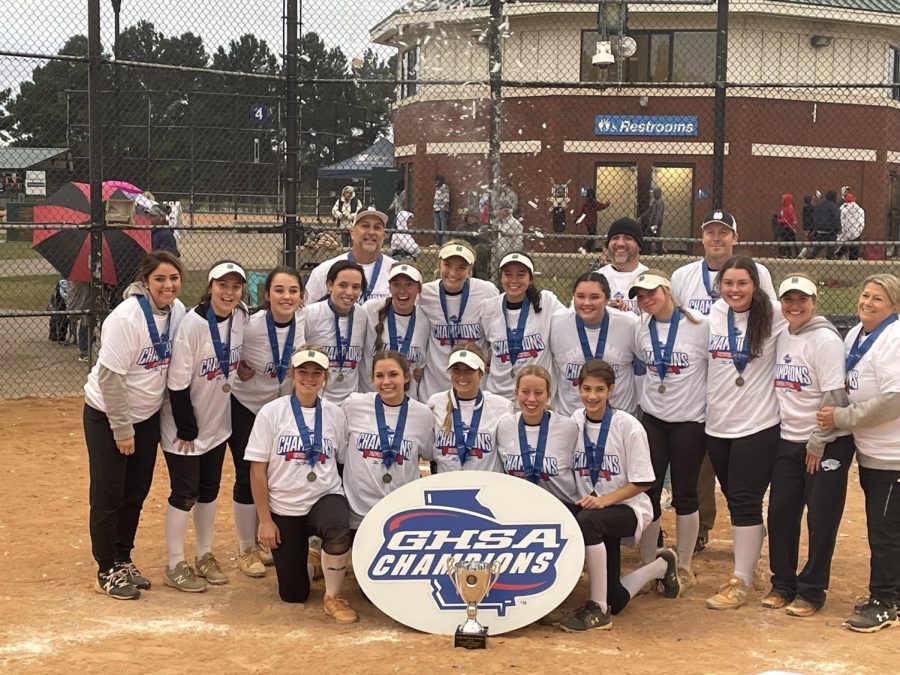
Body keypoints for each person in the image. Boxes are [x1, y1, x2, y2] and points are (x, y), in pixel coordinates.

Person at [669, 209, 777, 552]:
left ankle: (748, 530)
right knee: (702, 465)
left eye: (723, 232)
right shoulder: (684, 275)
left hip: (744, 392)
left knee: (741, 480)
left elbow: (773, 319)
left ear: (735, 237)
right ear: (701, 237)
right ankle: (702, 527)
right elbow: (673, 324)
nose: (716, 238)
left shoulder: (757, 272)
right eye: (710, 232)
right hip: (699, 384)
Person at [83, 251, 186, 599]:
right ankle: (105, 567)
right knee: (109, 492)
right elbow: (110, 379)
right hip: (108, 415)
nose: (168, 285)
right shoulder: (126, 318)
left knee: (136, 491)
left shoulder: (178, 313)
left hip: (146, 416)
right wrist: (122, 429)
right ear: (146, 282)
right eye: (160, 279)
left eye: (173, 278)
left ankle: (123, 557)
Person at [559, 360, 681, 632]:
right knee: (617, 597)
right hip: (594, 509)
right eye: (586, 388)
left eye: (600, 389)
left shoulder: (628, 426)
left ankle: (598, 609)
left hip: (628, 507)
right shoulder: (574, 421)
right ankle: (661, 566)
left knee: (590, 521)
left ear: (611, 390)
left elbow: (643, 481)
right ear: (578, 388)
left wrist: (605, 500)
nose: (592, 396)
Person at [764, 274, 854, 617]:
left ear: (814, 302)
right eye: (789, 300)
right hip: (789, 439)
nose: (794, 306)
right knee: (781, 514)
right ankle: (782, 583)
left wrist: (818, 443)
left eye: (802, 300)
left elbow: (835, 398)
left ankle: (812, 590)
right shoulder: (783, 333)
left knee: (821, 517)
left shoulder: (825, 339)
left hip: (825, 443)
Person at [246, 346, 357, 623]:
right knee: (293, 594)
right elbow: (257, 470)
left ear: (325, 377)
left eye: (317, 372)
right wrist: (265, 521)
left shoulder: (335, 413)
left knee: (337, 528)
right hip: (285, 506)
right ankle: (310, 563)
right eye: (303, 371)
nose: (309, 377)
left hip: (324, 495)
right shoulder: (272, 413)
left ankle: (332, 595)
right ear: (292, 374)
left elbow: (341, 461)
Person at [817, 274, 900, 632]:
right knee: (887, 526)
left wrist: (843, 418)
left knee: (884, 531)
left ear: (894, 306)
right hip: (872, 450)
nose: (867, 302)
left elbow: (894, 399)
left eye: (878, 299)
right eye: (865, 295)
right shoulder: (855, 335)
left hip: (892, 453)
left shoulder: (894, 338)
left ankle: (884, 602)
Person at [160, 260, 249, 592]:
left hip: (216, 423)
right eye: (222, 285)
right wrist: (186, 427)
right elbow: (178, 384)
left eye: (235, 286)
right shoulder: (193, 325)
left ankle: (204, 554)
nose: (228, 292)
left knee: (209, 490)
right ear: (210, 287)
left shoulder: (240, 316)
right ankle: (174, 563)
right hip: (185, 427)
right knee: (185, 492)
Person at [704, 256, 787, 610]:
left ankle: (741, 580)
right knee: (734, 497)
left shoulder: (776, 315)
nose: (734, 290)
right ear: (719, 286)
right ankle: (749, 560)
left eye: (742, 283)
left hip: (758, 424)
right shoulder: (712, 316)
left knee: (743, 500)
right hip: (717, 424)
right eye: (728, 283)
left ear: (755, 285)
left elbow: (810, 323)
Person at [630, 270, 709, 590]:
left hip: (689, 420)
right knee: (647, 490)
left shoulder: (699, 325)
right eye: (641, 296)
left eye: (653, 292)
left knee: (686, 493)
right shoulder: (641, 328)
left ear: (667, 290)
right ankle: (649, 563)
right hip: (653, 419)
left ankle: (685, 564)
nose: (647, 299)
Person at [228, 267, 306, 578]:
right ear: (267, 295)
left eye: (293, 291)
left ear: (302, 296)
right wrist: (236, 368)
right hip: (247, 406)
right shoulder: (250, 325)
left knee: (278, 473)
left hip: (282, 410)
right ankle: (247, 547)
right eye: (279, 290)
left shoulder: (306, 322)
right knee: (247, 474)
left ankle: (267, 536)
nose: (286, 297)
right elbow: (223, 348)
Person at [339, 350, 435, 529]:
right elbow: (341, 449)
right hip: (359, 512)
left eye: (393, 374)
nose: (386, 382)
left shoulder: (423, 414)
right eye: (379, 375)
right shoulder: (354, 405)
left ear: (406, 377)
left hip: (402, 510)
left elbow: (429, 453)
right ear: (372, 379)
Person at [417, 240, 499, 400]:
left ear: (470, 270)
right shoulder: (425, 294)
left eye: (461, 267)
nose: (453, 273)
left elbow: (496, 331)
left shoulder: (486, 292)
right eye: (447, 265)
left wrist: (492, 356)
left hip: (473, 388)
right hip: (435, 388)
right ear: (439, 265)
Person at [551, 271, 640, 416]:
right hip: (572, 418)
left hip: (618, 418)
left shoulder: (628, 323)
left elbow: (642, 365)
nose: (586, 303)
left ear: (607, 299)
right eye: (580, 296)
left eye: (595, 297)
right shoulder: (557, 323)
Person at [495, 365, 581, 510]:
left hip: (563, 507)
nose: (532, 399)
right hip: (519, 508)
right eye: (525, 392)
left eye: (539, 393)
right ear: (516, 393)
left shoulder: (568, 428)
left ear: (548, 395)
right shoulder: (504, 427)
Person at [482, 252, 564, 399]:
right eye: (508, 274)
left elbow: (572, 318)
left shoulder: (546, 302)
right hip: (499, 395)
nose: (514, 280)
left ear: (530, 278)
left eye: (521, 275)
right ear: (500, 278)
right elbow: (486, 345)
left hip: (537, 396)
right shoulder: (489, 308)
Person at [427, 345, 513, 473]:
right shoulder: (435, 403)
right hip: (446, 488)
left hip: (487, 487)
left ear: (481, 373)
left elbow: (508, 455)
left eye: (469, 371)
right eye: (456, 370)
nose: (462, 376)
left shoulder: (501, 406)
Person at [304, 260, 369, 404]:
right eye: (343, 285)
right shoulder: (311, 314)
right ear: (330, 285)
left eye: (356, 287)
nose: (349, 292)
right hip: (317, 399)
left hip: (351, 401)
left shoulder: (363, 316)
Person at [362, 262, 429, 399]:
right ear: (389, 287)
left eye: (409, 284)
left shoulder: (426, 319)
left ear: (419, 289)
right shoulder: (371, 310)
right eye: (396, 284)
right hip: (372, 399)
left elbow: (422, 363)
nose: (402, 291)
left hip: (407, 401)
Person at [305, 208, 396, 305]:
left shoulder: (395, 271)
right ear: (352, 233)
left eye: (377, 227)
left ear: (383, 236)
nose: (371, 232)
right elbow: (306, 313)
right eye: (365, 226)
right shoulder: (324, 271)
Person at [595, 217, 648, 313]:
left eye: (628, 238)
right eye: (615, 238)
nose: (620, 243)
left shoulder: (650, 279)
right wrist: (606, 311)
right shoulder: (595, 279)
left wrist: (627, 315)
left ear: (639, 246)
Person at [808, 190, 841, 260]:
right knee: (831, 241)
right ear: (834, 197)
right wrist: (837, 228)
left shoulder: (820, 205)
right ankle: (830, 255)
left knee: (820, 243)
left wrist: (816, 227)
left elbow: (814, 216)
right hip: (830, 230)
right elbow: (836, 218)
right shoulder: (834, 206)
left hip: (820, 230)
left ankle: (813, 255)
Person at [492, 200, 524, 272]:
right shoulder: (499, 222)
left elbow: (518, 241)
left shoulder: (515, 224)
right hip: (498, 252)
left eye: (500, 209)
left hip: (509, 254)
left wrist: (514, 255)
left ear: (507, 211)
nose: (498, 211)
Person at [576, 188, 610, 255]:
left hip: (587, 222)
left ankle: (590, 250)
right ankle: (583, 247)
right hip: (593, 222)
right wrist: (607, 204)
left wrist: (577, 220)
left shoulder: (586, 203)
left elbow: (581, 212)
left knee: (591, 235)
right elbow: (601, 206)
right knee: (593, 236)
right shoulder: (594, 202)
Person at [838, 193, 865, 261]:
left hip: (845, 230)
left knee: (844, 245)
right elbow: (861, 222)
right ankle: (853, 261)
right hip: (855, 231)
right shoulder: (859, 209)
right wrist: (859, 231)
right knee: (854, 248)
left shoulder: (842, 208)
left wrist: (843, 230)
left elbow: (841, 220)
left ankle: (838, 255)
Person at [638, 186, 665, 255]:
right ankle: (659, 250)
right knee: (656, 235)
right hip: (652, 222)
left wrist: (656, 224)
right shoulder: (654, 202)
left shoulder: (659, 202)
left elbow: (659, 214)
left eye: (653, 193)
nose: (652, 195)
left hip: (655, 223)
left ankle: (647, 251)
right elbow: (649, 211)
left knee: (649, 234)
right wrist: (641, 217)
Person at [775, 194, 798, 258]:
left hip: (788, 227)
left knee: (789, 240)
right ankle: (788, 253)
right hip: (785, 226)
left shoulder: (789, 208)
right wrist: (780, 219)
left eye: (783, 199)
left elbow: (790, 218)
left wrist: (781, 220)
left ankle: (790, 253)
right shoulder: (784, 208)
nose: (782, 201)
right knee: (787, 240)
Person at [433, 175, 450, 246]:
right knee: (437, 226)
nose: (436, 182)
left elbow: (446, 199)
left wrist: (443, 207)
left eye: (437, 181)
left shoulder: (444, 187)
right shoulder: (437, 188)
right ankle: (437, 242)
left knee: (443, 226)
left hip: (442, 209)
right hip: (436, 208)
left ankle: (444, 243)